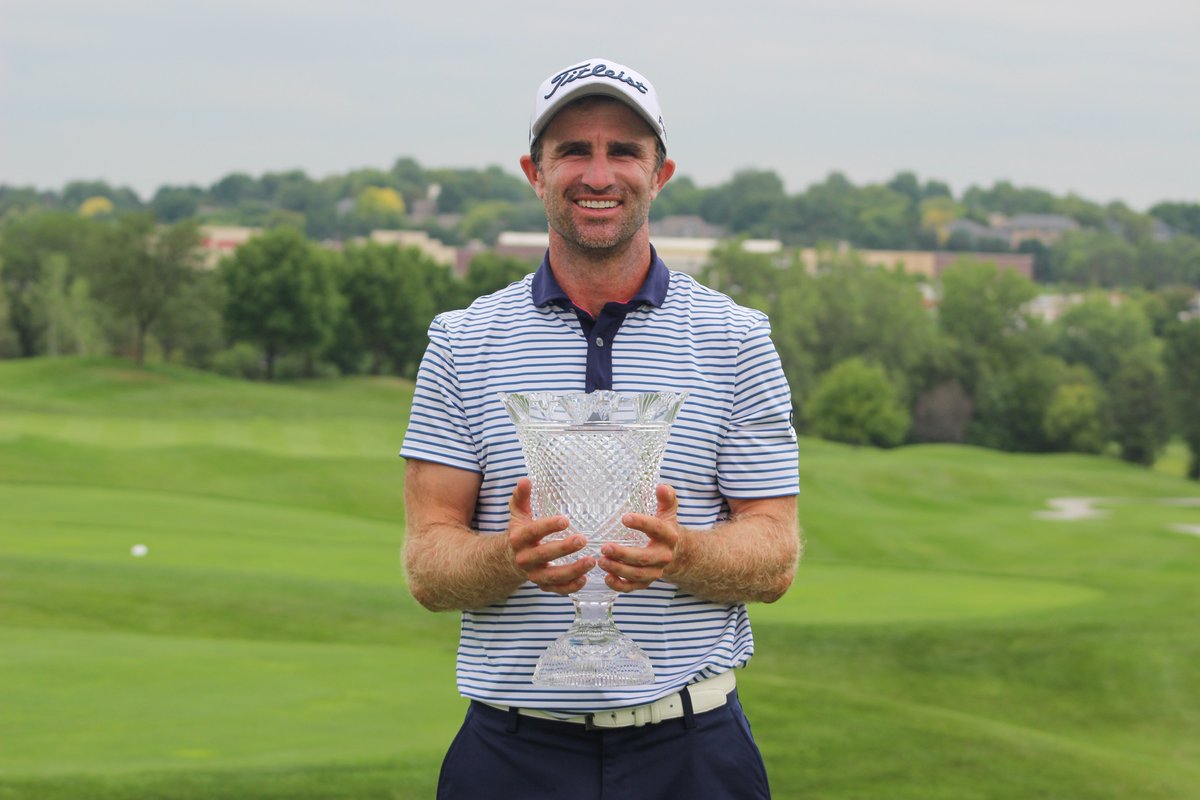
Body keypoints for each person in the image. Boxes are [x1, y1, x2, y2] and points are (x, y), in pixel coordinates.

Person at [400, 57, 801, 800]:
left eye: (623, 151)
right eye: (573, 151)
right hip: (511, 750)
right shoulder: (463, 341)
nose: (598, 172)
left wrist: (683, 554)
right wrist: (505, 559)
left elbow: (775, 552)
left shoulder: (735, 337)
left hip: (692, 750)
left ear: (661, 172)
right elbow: (428, 564)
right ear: (534, 170)